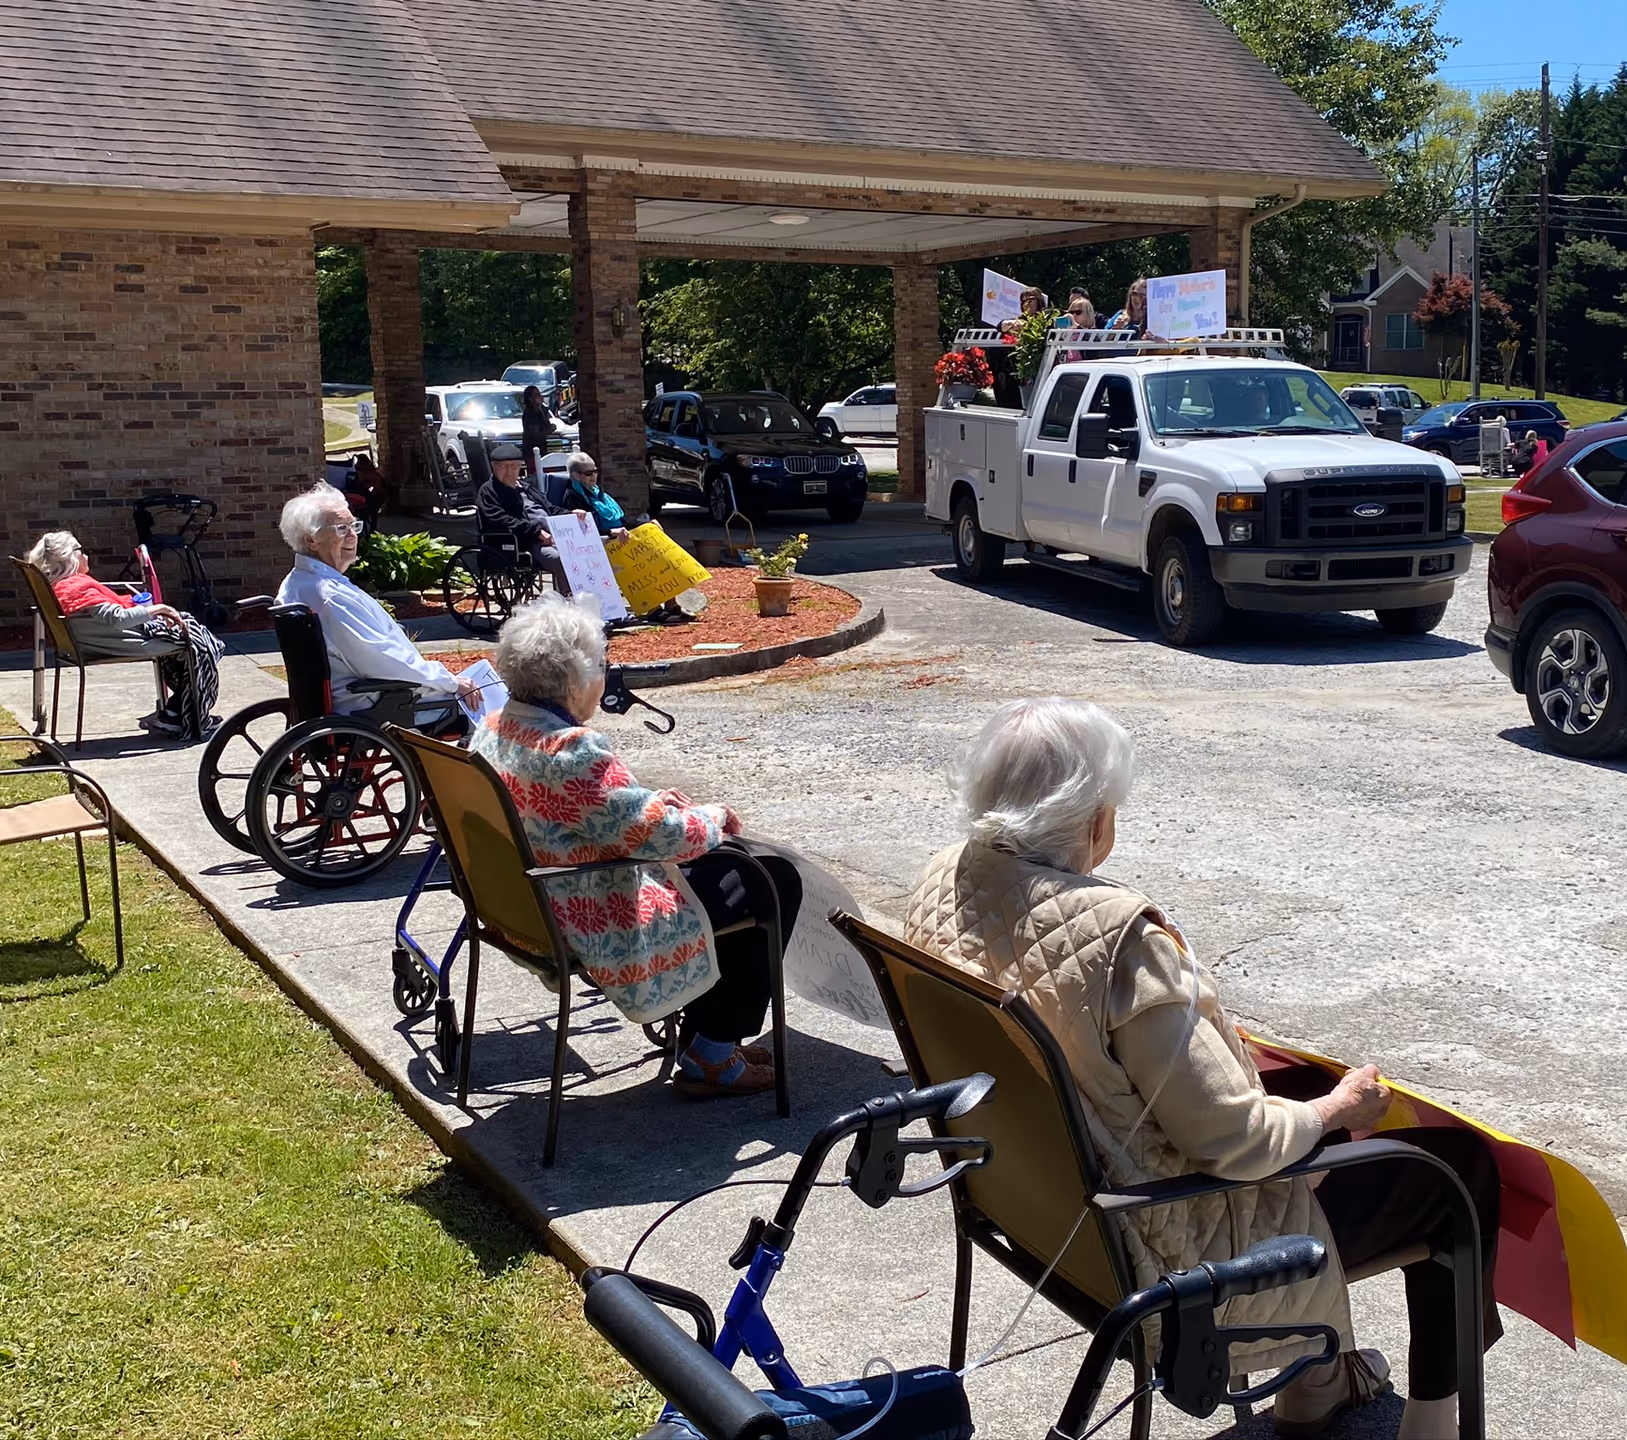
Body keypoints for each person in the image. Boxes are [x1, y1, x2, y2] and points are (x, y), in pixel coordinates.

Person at [903, 699, 1502, 1440]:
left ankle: (1314, 1386)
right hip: (1167, 1241)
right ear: (1095, 819)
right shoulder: (1120, 937)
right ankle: (1435, 1425)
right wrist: (1339, 1109)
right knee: (1453, 1170)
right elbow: (1237, 1143)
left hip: (1033, 1206)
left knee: (1295, 1093)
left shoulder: (942, 880)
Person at [472, 597, 802, 1098]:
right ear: (574, 681)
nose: (605, 677)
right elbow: (662, 838)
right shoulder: (573, 750)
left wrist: (653, 804)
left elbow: (590, 814)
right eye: (602, 666)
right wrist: (713, 816)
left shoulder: (495, 727)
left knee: (733, 875)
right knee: (768, 880)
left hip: (523, 905)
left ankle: (702, 1035)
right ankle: (710, 1055)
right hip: (596, 915)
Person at [275, 483, 479, 721]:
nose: (353, 536)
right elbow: (384, 661)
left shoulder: (297, 582)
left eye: (354, 526)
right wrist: (452, 682)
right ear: (311, 540)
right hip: (376, 703)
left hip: (364, 695)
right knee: (488, 704)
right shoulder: (330, 597)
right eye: (342, 528)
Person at [25, 530, 223, 738]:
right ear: (69, 557)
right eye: (81, 550)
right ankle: (192, 718)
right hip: (123, 640)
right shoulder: (77, 588)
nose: (86, 555)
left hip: (100, 640)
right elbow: (117, 619)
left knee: (193, 632)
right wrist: (158, 609)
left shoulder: (62, 586)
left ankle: (174, 712)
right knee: (200, 644)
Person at [477, 464, 578, 596]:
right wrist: (536, 532)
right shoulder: (489, 491)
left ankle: (593, 596)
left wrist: (571, 513)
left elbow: (551, 508)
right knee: (559, 558)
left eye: (513, 467)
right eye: (504, 467)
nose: (509, 471)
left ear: (519, 467)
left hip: (553, 534)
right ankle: (570, 599)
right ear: (493, 466)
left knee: (582, 552)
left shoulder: (527, 488)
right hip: (524, 541)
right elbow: (501, 519)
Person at [566, 451, 645, 543]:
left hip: (618, 536)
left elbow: (622, 521)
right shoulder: (573, 497)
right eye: (588, 473)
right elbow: (585, 530)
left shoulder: (599, 493)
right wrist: (610, 532)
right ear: (576, 476)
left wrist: (644, 524)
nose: (594, 476)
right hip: (601, 542)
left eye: (595, 471)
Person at [520, 383, 556, 485]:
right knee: (536, 478)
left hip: (542, 449)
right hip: (531, 451)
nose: (540, 397)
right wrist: (550, 430)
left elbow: (548, 424)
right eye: (536, 395)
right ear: (530, 398)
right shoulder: (529, 413)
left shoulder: (542, 410)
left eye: (539, 394)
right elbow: (535, 434)